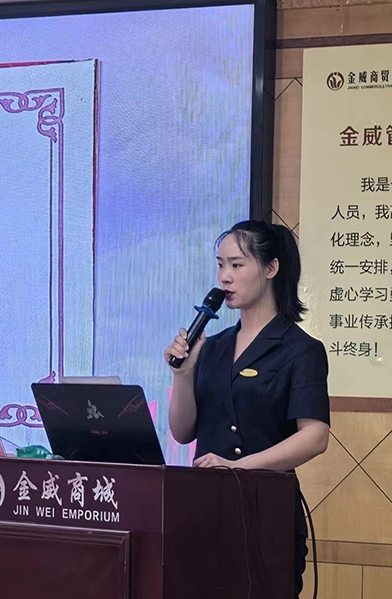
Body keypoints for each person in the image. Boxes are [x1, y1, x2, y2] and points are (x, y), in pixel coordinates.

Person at [165, 220, 330, 598]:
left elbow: (315, 436)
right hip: (206, 511)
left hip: (267, 513)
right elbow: (183, 432)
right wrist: (183, 375)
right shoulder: (213, 346)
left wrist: (238, 466)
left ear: (271, 268)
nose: (224, 277)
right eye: (220, 265)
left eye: (237, 265)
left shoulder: (300, 350)